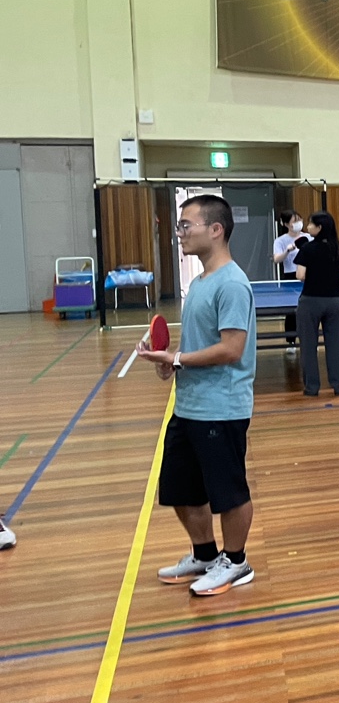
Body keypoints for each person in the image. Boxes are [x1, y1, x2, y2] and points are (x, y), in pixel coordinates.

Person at [137, 194, 259, 597]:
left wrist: (177, 358)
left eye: (186, 225)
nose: (180, 233)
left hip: (221, 407)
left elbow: (232, 349)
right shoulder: (201, 282)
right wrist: (170, 363)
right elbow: (198, 347)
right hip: (188, 405)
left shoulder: (232, 284)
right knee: (181, 490)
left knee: (229, 493)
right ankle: (205, 555)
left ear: (216, 229)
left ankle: (236, 562)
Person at [293, 212, 339, 397]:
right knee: (336, 345)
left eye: (311, 224)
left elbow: (300, 275)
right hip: (334, 301)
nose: (308, 227)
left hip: (310, 301)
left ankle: (312, 387)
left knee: (308, 346)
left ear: (319, 228)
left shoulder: (307, 249)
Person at [272, 210, 308, 351]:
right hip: (291, 276)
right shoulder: (280, 241)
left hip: (307, 275)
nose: (298, 223)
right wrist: (287, 250)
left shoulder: (308, 237)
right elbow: (276, 259)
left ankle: (309, 340)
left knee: (308, 310)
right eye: (294, 221)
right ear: (286, 224)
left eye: (299, 219)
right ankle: (291, 341)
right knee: (292, 311)